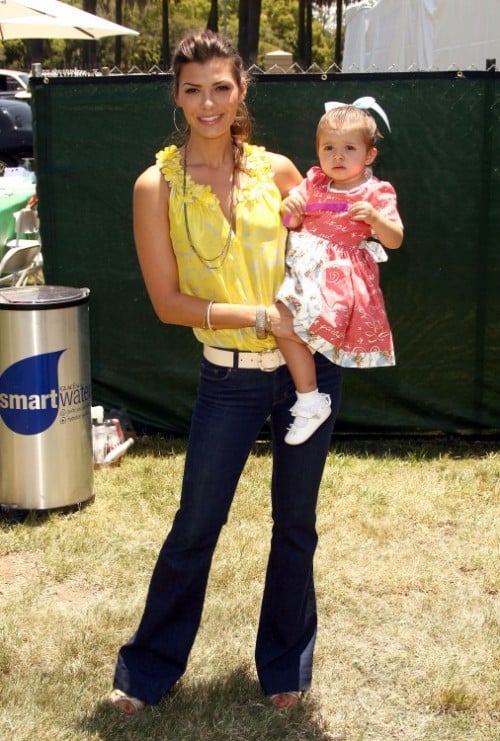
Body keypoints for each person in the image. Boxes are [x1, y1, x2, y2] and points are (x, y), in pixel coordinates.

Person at [108, 30, 343, 715]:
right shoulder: (157, 185)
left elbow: (324, 255)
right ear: (176, 97)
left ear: (241, 89)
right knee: (196, 524)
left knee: (295, 523)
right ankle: (148, 669)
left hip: (309, 376)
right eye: (192, 89)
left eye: (220, 86)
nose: (207, 102)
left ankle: (284, 666)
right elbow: (168, 301)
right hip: (229, 377)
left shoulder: (279, 173)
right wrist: (261, 316)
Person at [276, 98, 404, 445]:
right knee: (283, 324)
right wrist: (290, 209)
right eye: (329, 147)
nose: (338, 156)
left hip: (337, 278)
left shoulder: (375, 191)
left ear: (370, 155)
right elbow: (291, 223)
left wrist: (376, 219)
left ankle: (309, 397)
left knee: (284, 322)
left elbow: (394, 240)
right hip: (301, 268)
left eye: (349, 148)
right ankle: (309, 398)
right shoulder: (313, 182)